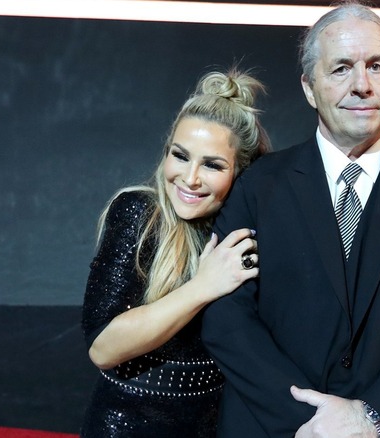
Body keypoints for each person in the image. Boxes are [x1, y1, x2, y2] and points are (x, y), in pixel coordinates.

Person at [201, 2, 380, 437]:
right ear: (309, 88)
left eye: (377, 66)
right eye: (341, 69)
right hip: (278, 427)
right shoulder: (258, 185)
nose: (362, 85)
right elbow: (227, 317)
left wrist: (370, 418)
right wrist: (312, 423)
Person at [80, 69, 269, 437]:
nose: (190, 177)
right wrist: (204, 286)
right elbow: (103, 349)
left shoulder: (244, 237)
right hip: (127, 425)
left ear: (240, 172)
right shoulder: (138, 213)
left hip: (212, 425)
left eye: (212, 165)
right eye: (180, 156)